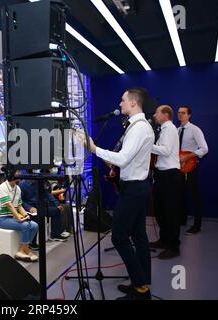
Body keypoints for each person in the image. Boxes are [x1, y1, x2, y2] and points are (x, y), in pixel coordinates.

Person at [89, 88, 154, 300]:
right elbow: (127, 160)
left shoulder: (138, 128)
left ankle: (139, 285)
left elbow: (124, 158)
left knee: (118, 236)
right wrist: (110, 161)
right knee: (138, 236)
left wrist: (94, 149)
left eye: (123, 99)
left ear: (134, 103)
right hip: (137, 186)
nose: (120, 103)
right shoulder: (138, 126)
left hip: (134, 189)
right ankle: (142, 284)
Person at [150, 105, 182, 259]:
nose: (155, 115)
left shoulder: (169, 129)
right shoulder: (164, 129)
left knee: (170, 212)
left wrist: (147, 145)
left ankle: (173, 247)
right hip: (162, 175)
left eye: (157, 113)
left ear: (165, 115)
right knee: (160, 210)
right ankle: (164, 240)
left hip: (170, 175)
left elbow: (166, 150)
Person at [177, 106, 209, 235]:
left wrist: (188, 156)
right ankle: (182, 220)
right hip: (179, 167)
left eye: (183, 113)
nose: (180, 115)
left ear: (189, 115)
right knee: (180, 195)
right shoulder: (177, 130)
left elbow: (204, 149)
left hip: (191, 166)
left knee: (195, 196)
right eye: (179, 113)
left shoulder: (195, 130)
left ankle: (197, 225)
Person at [0, 175, 38, 262]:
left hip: (12, 218)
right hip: (2, 219)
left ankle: (21, 250)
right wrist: (19, 218)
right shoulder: (2, 187)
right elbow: (9, 205)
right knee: (25, 225)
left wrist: (26, 215)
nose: (19, 175)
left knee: (34, 225)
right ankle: (26, 250)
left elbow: (19, 206)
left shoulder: (17, 188)